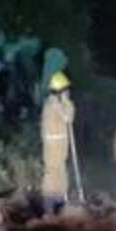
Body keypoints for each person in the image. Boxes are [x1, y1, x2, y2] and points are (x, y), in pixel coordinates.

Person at [40, 71, 75, 213]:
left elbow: (67, 118)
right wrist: (66, 102)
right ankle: (49, 204)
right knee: (53, 171)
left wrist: (66, 102)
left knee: (60, 171)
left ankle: (59, 201)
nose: (68, 91)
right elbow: (67, 118)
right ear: (60, 90)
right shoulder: (53, 104)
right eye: (65, 89)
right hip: (53, 146)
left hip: (59, 145)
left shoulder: (57, 103)